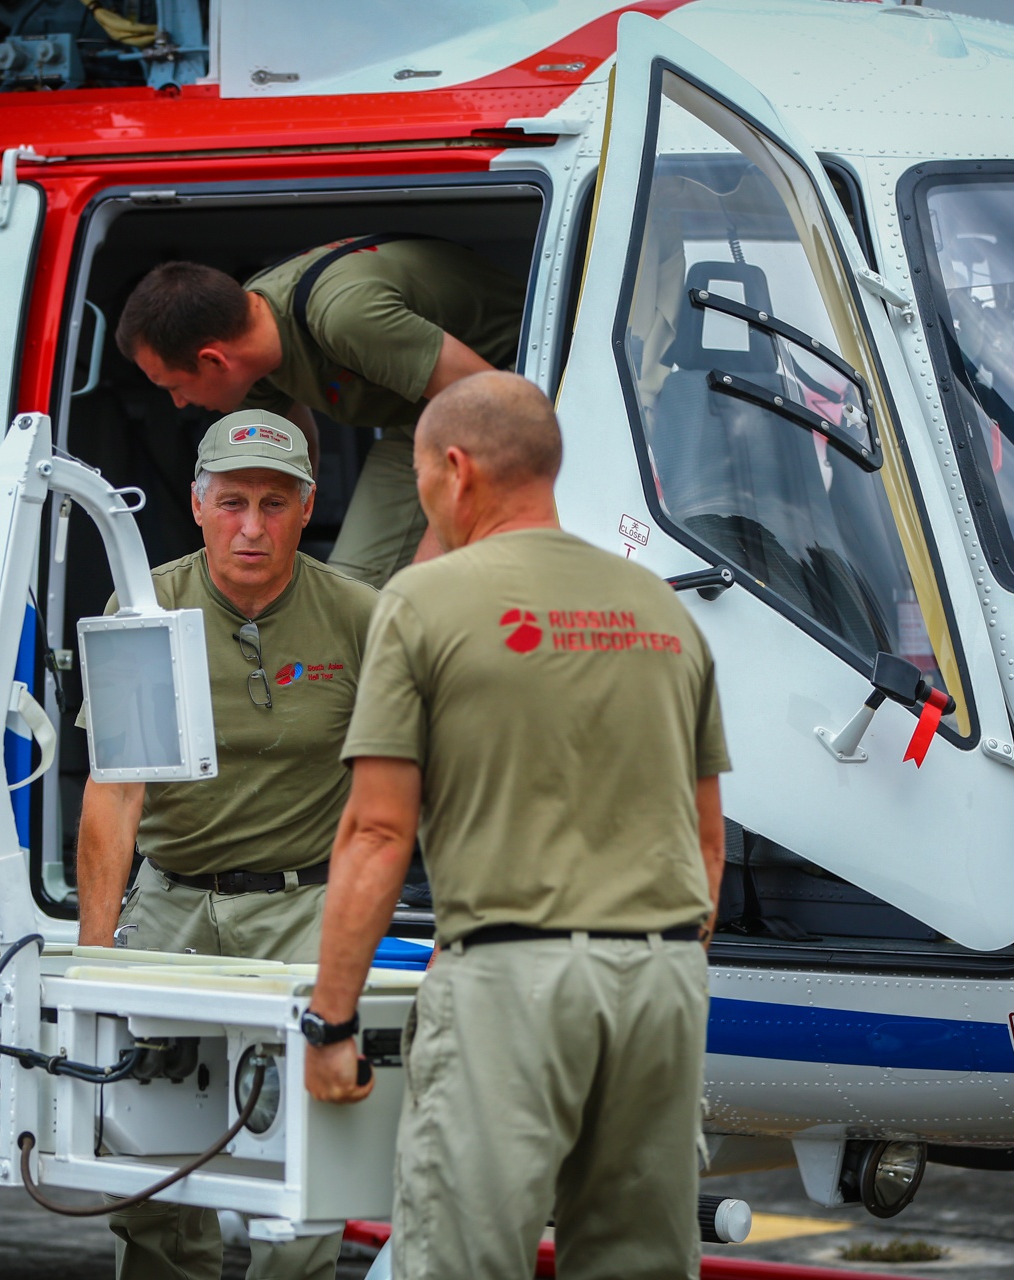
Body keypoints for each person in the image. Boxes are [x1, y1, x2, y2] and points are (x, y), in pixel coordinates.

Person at [301, 372, 731, 1279]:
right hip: (663, 984)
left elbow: (377, 833)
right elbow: (706, 843)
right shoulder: (660, 607)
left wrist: (330, 1022)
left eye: (422, 476)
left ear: (455, 471)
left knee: (462, 1256)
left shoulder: (423, 602)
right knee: (641, 1263)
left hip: (513, 982)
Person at [75, 409, 379, 1280]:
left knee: (309, 1148)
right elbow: (117, 790)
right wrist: (95, 959)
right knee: (148, 1149)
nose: (253, 527)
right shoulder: (146, 605)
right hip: (173, 900)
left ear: (308, 507)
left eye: (275, 504)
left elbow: (399, 786)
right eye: (234, 502)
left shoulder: (359, 615)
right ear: (199, 505)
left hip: (303, 906)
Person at [114, 237, 525, 587]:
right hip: (423, 418)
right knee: (353, 588)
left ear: (214, 360)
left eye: (174, 387)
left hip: (510, 392)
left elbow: (495, 408)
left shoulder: (345, 316)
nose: (179, 403)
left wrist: (432, 560)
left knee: (428, 587)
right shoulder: (250, 341)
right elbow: (288, 459)